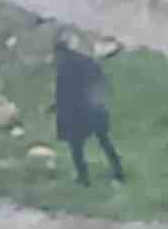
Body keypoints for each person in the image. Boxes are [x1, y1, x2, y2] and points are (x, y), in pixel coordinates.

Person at [54, 34, 126, 188]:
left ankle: (83, 178)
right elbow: (100, 81)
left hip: (78, 113)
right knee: (105, 141)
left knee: (76, 147)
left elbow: (63, 94)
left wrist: (61, 114)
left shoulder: (64, 68)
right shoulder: (86, 61)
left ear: (60, 53)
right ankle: (119, 172)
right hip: (95, 109)